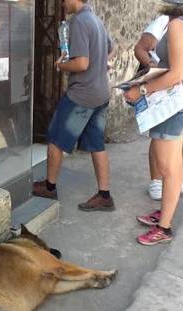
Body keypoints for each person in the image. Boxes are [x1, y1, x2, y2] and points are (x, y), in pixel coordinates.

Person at [32, 0, 115, 212]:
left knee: (54, 138)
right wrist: (100, 63)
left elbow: (81, 64)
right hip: (100, 93)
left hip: (82, 95)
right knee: (97, 143)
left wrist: (60, 65)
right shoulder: (96, 20)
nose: (61, 2)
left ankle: (49, 187)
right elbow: (110, 50)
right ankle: (104, 195)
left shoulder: (79, 21)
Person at [124, 0, 183, 245]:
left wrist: (141, 90)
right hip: (179, 101)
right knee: (172, 166)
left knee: (169, 168)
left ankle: (164, 228)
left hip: (172, 104)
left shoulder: (177, 25)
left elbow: (175, 74)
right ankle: (165, 214)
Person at [135, 13, 183, 200]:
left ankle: (171, 177)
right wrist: (154, 70)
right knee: (162, 137)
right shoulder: (168, 21)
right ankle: (158, 180)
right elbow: (141, 49)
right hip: (170, 89)